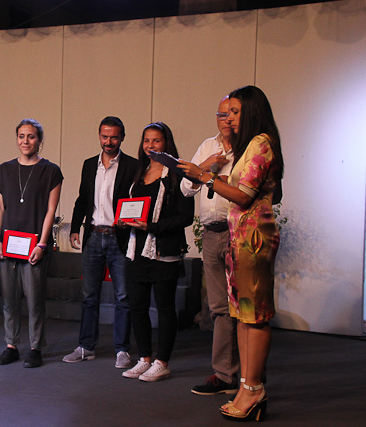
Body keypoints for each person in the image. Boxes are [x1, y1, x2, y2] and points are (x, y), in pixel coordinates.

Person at [179, 85, 283, 421]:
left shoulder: (261, 143)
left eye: (236, 112)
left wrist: (204, 176)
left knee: (254, 316)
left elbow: (243, 195)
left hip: (253, 238)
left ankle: (254, 388)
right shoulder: (251, 144)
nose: (230, 118)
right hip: (240, 237)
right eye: (227, 113)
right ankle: (244, 386)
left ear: (251, 111)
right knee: (241, 315)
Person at [119, 122, 194, 382]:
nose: (150, 146)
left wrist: (152, 226)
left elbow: (186, 217)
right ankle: (144, 358)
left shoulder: (178, 174)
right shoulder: (139, 172)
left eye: (157, 141)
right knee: (137, 307)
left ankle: (162, 362)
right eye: (146, 140)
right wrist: (124, 220)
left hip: (164, 250)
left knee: (164, 308)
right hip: (137, 249)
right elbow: (131, 206)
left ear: (167, 144)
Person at [63, 116, 138, 369]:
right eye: (105, 136)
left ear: (122, 138)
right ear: (99, 136)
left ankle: (122, 350)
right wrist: (75, 228)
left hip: (120, 237)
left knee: (123, 296)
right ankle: (86, 347)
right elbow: (82, 199)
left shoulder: (132, 166)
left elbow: (137, 202)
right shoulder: (88, 164)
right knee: (89, 296)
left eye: (114, 137)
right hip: (93, 235)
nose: (109, 141)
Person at [0, 118, 63, 368]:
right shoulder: (5, 169)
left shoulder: (51, 171)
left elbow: (51, 211)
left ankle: (35, 348)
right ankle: (11, 345)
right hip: (8, 245)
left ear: (39, 140)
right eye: (21, 136)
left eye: (31, 136)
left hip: (34, 245)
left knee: (34, 300)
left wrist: (42, 245)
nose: (25, 141)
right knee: (9, 299)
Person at [180, 97, 239, 395]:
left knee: (244, 307)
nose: (226, 119)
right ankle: (225, 375)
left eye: (232, 113)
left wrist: (217, 176)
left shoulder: (247, 148)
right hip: (211, 233)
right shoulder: (207, 146)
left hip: (238, 231)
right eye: (221, 114)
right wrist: (204, 168)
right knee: (218, 308)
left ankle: (251, 377)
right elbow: (185, 188)